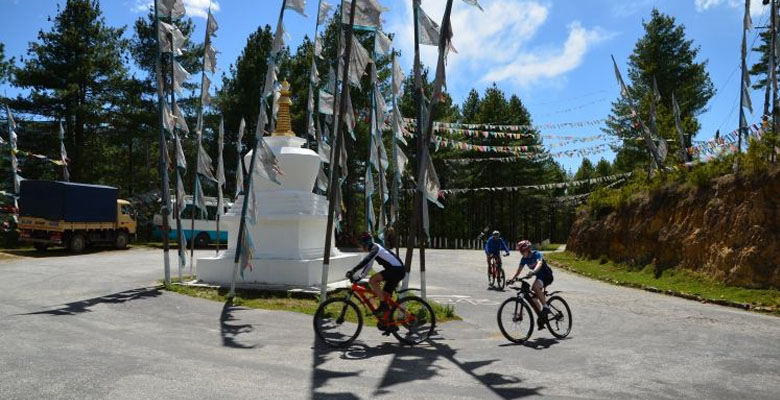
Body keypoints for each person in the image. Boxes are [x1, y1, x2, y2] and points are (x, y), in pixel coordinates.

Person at [346, 232, 406, 332]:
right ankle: (390, 323)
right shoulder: (374, 249)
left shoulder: (375, 248)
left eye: (361, 244)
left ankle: (382, 304)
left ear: (366, 243)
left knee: (373, 280)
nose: (361, 246)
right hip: (396, 271)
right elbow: (368, 266)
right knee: (385, 295)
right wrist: (359, 277)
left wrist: (353, 270)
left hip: (396, 270)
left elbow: (366, 260)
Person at [509, 239, 554, 330]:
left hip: (547, 276)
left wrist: (533, 271)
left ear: (528, 249)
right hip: (539, 278)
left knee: (535, 287)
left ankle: (546, 307)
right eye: (520, 251)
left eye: (522, 251)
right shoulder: (524, 259)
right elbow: (519, 270)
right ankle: (542, 317)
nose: (521, 253)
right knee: (533, 299)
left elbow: (539, 263)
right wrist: (512, 279)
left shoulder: (536, 254)